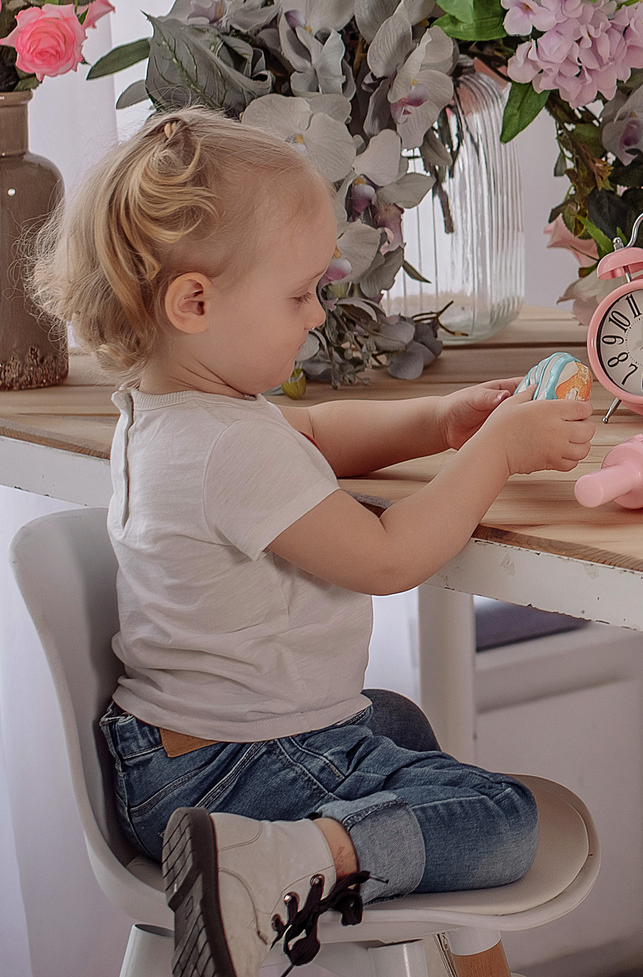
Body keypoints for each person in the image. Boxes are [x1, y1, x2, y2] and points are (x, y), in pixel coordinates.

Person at [30, 109, 598, 977]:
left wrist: (442, 422)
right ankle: (281, 862)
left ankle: (314, 854)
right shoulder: (231, 448)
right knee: (501, 821)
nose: (317, 311)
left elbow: (313, 436)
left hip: (168, 763)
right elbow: (387, 557)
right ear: (195, 301)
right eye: (298, 294)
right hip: (235, 773)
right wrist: (499, 453)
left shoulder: (175, 411)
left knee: (398, 719)